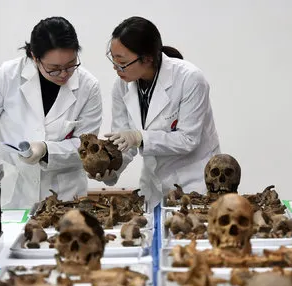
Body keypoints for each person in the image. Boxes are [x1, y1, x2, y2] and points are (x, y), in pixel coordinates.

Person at [0, 17, 102, 209]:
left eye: (71, 65)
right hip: (14, 191)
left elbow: (86, 146)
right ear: (35, 57)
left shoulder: (88, 86)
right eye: (54, 68)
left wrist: (46, 150)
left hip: (65, 194)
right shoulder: (7, 76)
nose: (63, 74)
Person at [94, 16, 220, 209]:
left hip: (194, 185)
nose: (116, 68)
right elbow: (123, 143)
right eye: (113, 59)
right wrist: (111, 168)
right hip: (153, 187)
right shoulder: (121, 86)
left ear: (147, 58)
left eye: (122, 62)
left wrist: (140, 137)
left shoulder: (190, 80)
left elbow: (188, 140)